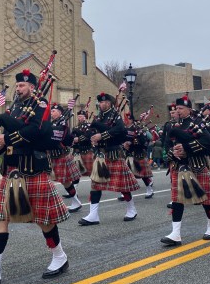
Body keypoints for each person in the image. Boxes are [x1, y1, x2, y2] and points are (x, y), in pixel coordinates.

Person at [0, 69, 70, 284]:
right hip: (12, 170)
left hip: (32, 169)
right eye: (17, 85)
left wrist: (7, 135)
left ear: (32, 87)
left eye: (22, 85)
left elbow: (38, 131)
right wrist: (0, 142)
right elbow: (19, 132)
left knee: (43, 220)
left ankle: (59, 256)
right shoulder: (15, 108)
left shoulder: (41, 105)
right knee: (1, 219)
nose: (18, 88)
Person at [161, 94, 210, 246]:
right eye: (176, 108)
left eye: (181, 108)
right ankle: (175, 233)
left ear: (189, 109)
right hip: (178, 166)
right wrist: (173, 153)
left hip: (196, 165)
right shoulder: (172, 125)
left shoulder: (197, 124)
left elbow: (207, 143)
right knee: (177, 200)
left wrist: (186, 149)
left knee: (206, 199)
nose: (178, 111)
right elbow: (167, 145)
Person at [78, 92, 139, 226]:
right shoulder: (99, 117)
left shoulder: (115, 115)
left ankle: (131, 209)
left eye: (105, 102)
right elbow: (92, 130)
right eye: (100, 102)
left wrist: (102, 135)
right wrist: (89, 136)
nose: (102, 104)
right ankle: (93, 215)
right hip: (100, 155)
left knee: (122, 185)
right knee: (95, 184)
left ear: (110, 103)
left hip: (113, 153)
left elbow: (120, 130)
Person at [48, 103, 82, 213]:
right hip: (54, 156)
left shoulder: (62, 122)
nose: (51, 113)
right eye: (51, 111)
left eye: (53, 111)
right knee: (63, 181)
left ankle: (75, 201)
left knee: (66, 181)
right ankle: (75, 201)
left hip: (61, 155)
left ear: (59, 112)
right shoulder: (53, 122)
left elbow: (60, 136)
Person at [121, 113, 154, 199]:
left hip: (138, 154)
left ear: (131, 120)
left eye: (127, 119)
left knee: (143, 174)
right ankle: (125, 192)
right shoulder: (124, 130)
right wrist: (123, 144)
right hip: (128, 155)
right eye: (125, 119)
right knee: (126, 175)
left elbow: (143, 141)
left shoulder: (137, 129)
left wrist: (131, 143)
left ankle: (149, 189)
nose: (126, 121)